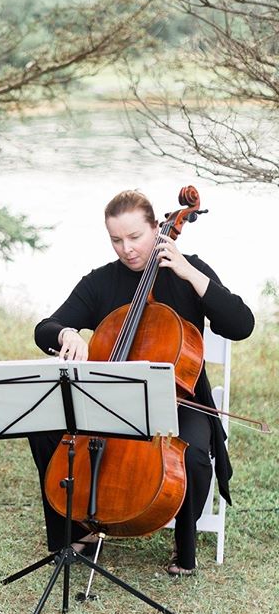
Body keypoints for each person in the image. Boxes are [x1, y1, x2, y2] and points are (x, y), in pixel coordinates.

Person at [31, 189, 254, 575]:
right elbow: (44, 328)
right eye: (116, 240)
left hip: (178, 401)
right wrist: (67, 333)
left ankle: (184, 550)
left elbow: (241, 324)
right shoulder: (100, 282)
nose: (127, 249)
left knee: (194, 456)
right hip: (107, 399)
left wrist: (188, 272)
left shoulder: (188, 270)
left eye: (135, 237)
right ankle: (73, 532)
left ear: (157, 228)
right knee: (45, 431)